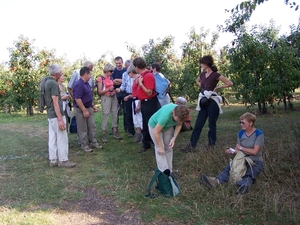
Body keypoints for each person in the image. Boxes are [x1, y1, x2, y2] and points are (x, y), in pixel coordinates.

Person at [200, 112, 264, 195]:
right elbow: (238, 150)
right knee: (229, 168)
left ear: (251, 123)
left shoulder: (258, 134)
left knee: (250, 173)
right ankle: (216, 181)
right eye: (240, 122)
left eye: (243, 122)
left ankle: (244, 186)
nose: (241, 124)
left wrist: (241, 148)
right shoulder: (240, 134)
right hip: (241, 158)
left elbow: (255, 152)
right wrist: (233, 151)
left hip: (255, 161)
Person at [181, 55, 233, 152]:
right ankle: (191, 146)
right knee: (198, 124)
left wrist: (218, 88)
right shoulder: (202, 74)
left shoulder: (215, 75)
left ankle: (211, 146)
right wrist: (203, 87)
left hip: (212, 102)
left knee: (211, 124)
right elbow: (197, 81)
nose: (201, 65)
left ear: (207, 63)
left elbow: (229, 83)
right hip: (204, 101)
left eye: (202, 63)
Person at [45, 64, 76, 168]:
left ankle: (53, 160)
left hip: (50, 115)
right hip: (56, 115)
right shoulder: (53, 84)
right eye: (61, 72)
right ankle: (63, 160)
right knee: (62, 137)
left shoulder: (46, 82)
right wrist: (60, 119)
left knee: (52, 137)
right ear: (57, 74)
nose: (62, 74)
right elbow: (55, 102)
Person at [149, 104, 190, 173]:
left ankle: (170, 171)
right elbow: (155, 132)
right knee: (160, 150)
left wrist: (174, 138)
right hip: (155, 126)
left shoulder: (182, 114)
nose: (178, 121)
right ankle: (164, 172)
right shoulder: (165, 116)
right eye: (177, 119)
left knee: (169, 147)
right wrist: (160, 147)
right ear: (173, 113)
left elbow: (179, 125)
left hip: (167, 126)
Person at [133, 57, 161, 153]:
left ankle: (156, 146)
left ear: (137, 67)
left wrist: (140, 84)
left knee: (152, 125)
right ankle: (146, 144)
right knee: (145, 124)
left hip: (150, 103)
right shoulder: (143, 75)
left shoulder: (148, 76)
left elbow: (149, 92)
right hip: (144, 102)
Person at [73, 67, 102, 152]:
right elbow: (77, 99)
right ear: (85, 74)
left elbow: (87, 97)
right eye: (89, 74)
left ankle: (93, 142)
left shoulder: (86, 84)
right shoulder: (79, 84)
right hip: (80, 109)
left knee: (92, 126)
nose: (90, 76)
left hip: (88, 107)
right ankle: (84, 145)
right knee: (83, 128)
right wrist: (84, 110)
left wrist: (93, 106)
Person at [97, 63, 122, 143]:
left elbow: (112, 87)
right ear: (107, 70)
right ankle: (103, 133)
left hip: (113, 97)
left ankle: (115, 130)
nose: (112, 73)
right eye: (111, 71)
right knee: (106, 114)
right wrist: (108, 90)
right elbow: (100, 91)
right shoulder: (101, 79)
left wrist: (114, 90)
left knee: (115, 113)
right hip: (106, 98)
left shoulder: (110, 78)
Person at [117, 60, 135, 137]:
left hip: (136, 95)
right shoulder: (124, 74)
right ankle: (130, 131)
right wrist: (119, 89)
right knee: (128, 113)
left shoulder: (137, 74)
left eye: (129, 67)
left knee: (137, 114)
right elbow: (123, 85)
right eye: (127, 67)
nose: (128, 69)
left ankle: (140, 131)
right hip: (127, 94)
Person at [124, 64, 143, 143]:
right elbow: (135, 92)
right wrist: (130, 96)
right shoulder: (135, 80)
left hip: (138, 100)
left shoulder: (138, 79)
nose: (128, 75)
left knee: (140, 119)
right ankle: (139, 135)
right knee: (136, 119)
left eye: (129, 73)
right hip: (134, 100)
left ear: (131, 72)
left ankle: (144, 136)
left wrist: (139, 104)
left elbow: (141, 92)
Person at [112, 57, 128, 132]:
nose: (118, 65)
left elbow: (126, 82)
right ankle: (115, 128)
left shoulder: (126, 71)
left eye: (119, 63)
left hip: (125, 92)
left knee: (126, 110)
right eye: (117, 63)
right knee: (115, 111)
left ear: (122, 62)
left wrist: (117, 80)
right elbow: (112, 82)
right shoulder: (113, 71)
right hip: (116, 92)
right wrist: (121, 81)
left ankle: (126, 127)